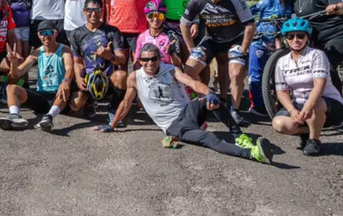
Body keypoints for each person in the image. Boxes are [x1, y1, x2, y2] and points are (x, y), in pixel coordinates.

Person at [98, 44, 273, 164]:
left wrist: (210, 93)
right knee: (209, 138)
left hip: (188, 112)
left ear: (159, 58)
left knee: (209, 99)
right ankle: (254, 155)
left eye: (153, 59)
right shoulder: (135, 77)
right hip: (174, 126)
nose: (150, 63)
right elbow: (126, 103)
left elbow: (193, 83)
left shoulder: (170, 70)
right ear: (140, 61)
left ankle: (239, 136)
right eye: (145, 60)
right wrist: (111, 125)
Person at [180, 0, 256, 125]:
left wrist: (243, 48)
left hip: (234, 40)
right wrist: (191, 49)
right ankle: (205, 99)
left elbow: (250, 25)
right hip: (212, 40)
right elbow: (183, 24)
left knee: (235, 73)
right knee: (189, 69)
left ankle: (234, 110)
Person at [270, 17, 343, 156]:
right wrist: (293, 110)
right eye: (290, 36)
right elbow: (282, 91)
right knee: (279, 124)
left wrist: (307, 107)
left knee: (315, 104)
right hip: (300, 105)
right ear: (286, 39)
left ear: (307, 37)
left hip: (327, 104)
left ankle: (314, 140)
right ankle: (308, 131)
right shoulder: (282, 62)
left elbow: (319, 84)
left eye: (300, 36)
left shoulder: (317, 55)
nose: (295, 40)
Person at [0, 20, 74, 132]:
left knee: (64, 90)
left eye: (49, 32)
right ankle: (14, 116)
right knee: (10, 88)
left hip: (58, 95)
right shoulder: (37, 53)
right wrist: (13, 63)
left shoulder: (64, 50)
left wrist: (65, 81)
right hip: (41, 96)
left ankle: (49, 117)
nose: (46, 36)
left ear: (55, 33)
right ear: (38, 35)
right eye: (43, 33)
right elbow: (15, 76)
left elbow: (69, 68)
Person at [68, 0, 128, 119]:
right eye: (90, 10)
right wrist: (79, 78)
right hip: (88, 77)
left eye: (97, 10)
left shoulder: (112, 31)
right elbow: (77, 61)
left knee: (122, 75)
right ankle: (89, 101)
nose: (93, 13)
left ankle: (113, 109)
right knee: (75, 105)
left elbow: (122, 59)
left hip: (108, 77)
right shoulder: (76, 33)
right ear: (84, 11)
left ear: (102, 11)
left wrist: (110, 56)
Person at [248, 0, 294, 115]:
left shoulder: (291, 4)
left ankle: (281, 103)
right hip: (260, 42)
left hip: (281, 45)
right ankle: (257, 106)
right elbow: (248, 13)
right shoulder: (266, 2)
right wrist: (252, 28)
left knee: (281, 76)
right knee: (256, 75)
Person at [134, 0, 181, 67]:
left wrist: (172, 54)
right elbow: (137, 60)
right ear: (146, 17)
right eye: (151, 16)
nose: (155, 19)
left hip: (165, 70)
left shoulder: (171, 36)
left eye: (160, 16)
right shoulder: (142, 37)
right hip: (148, 70)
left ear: (164, 18)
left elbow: (178, 64)